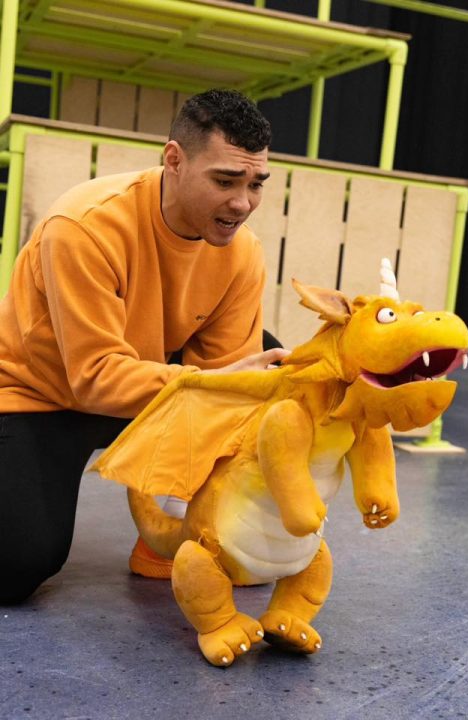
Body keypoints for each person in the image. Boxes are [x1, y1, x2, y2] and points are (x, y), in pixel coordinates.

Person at [0, 89, 289, 604]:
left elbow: (224, 386)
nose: (242, 203)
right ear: (174, 159)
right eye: (224, 180)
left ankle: (165, 536)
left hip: (143, 384)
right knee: (15, 567)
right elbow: (93, 378)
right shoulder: (85, 227)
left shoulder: (243, 253)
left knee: (265, 361)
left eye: (255, 183)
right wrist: (205, 383)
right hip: (37, 394)